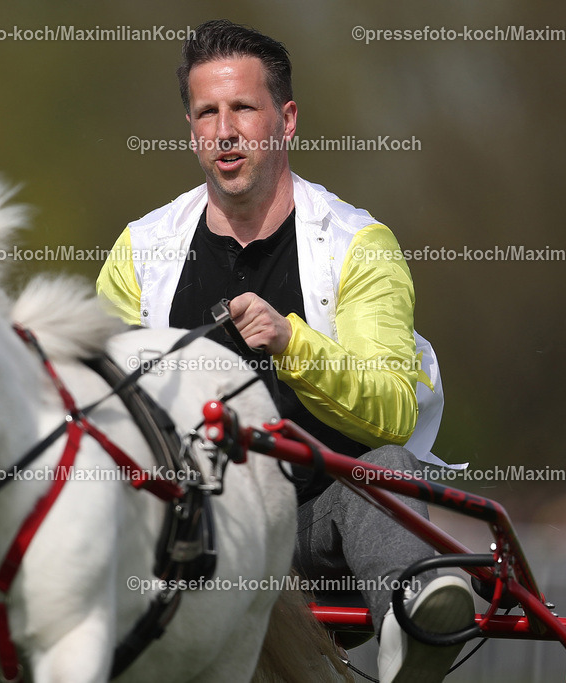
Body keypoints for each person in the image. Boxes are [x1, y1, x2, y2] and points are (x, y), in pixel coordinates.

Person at [96, 19, 474, 682]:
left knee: (385, 465)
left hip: (315, 535)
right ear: (191, 128)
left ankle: (417, 623)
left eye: (243, 108)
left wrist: (291, 342)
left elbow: (394, 410)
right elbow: (97, 407)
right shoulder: (139, 253)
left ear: (287, 120)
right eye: (207, 112)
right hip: (186, 537)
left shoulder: (361, 247)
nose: (224, 130)